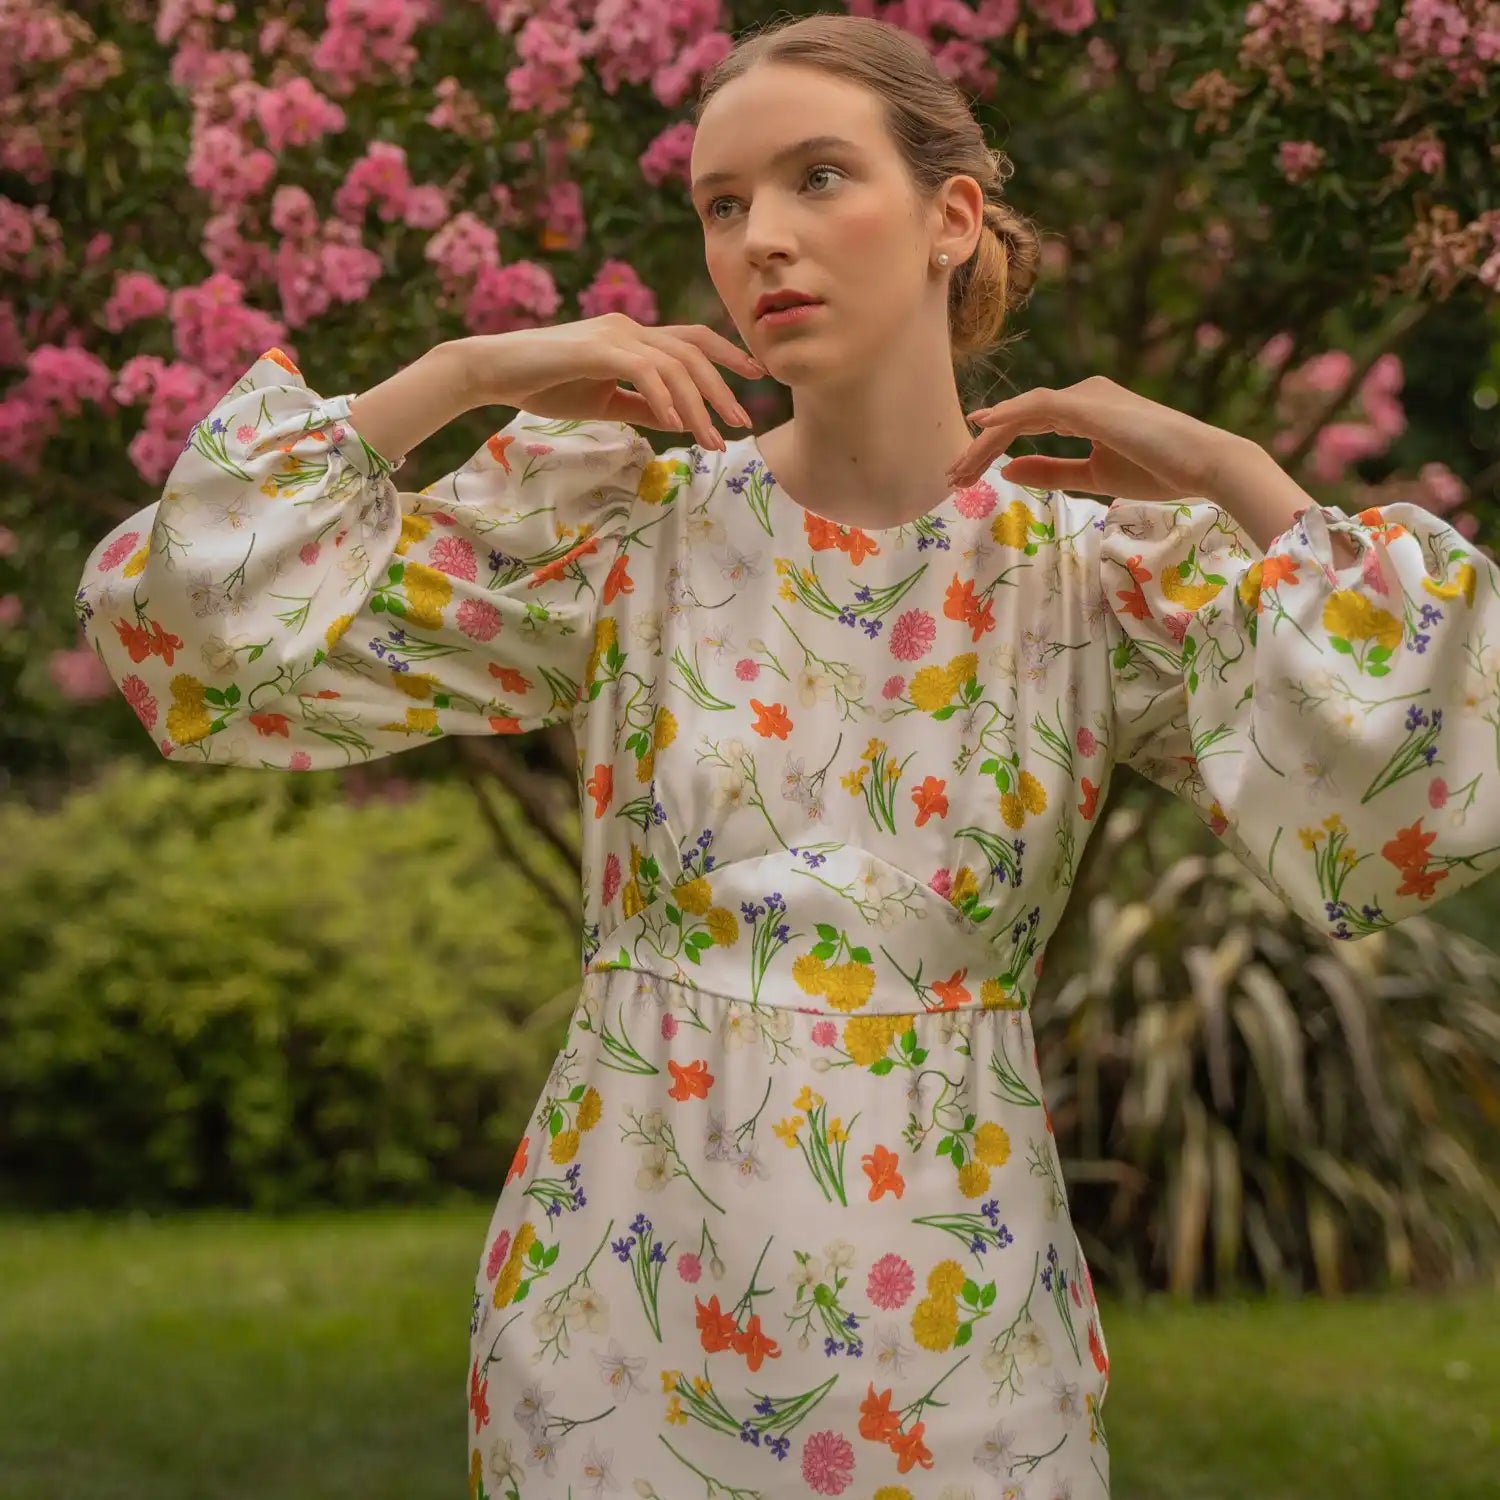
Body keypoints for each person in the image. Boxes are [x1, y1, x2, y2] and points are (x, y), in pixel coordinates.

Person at [72, 14, 1500, 1500]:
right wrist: (466, 369)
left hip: (958, 1324)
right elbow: (186, 636)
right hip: (617, 1313)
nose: (762, 239)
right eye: (724, 204)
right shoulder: (627, 530)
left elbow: (1445, 775)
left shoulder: (1090, 580)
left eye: (820, 178)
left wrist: (1234, 474)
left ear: (953, 220)